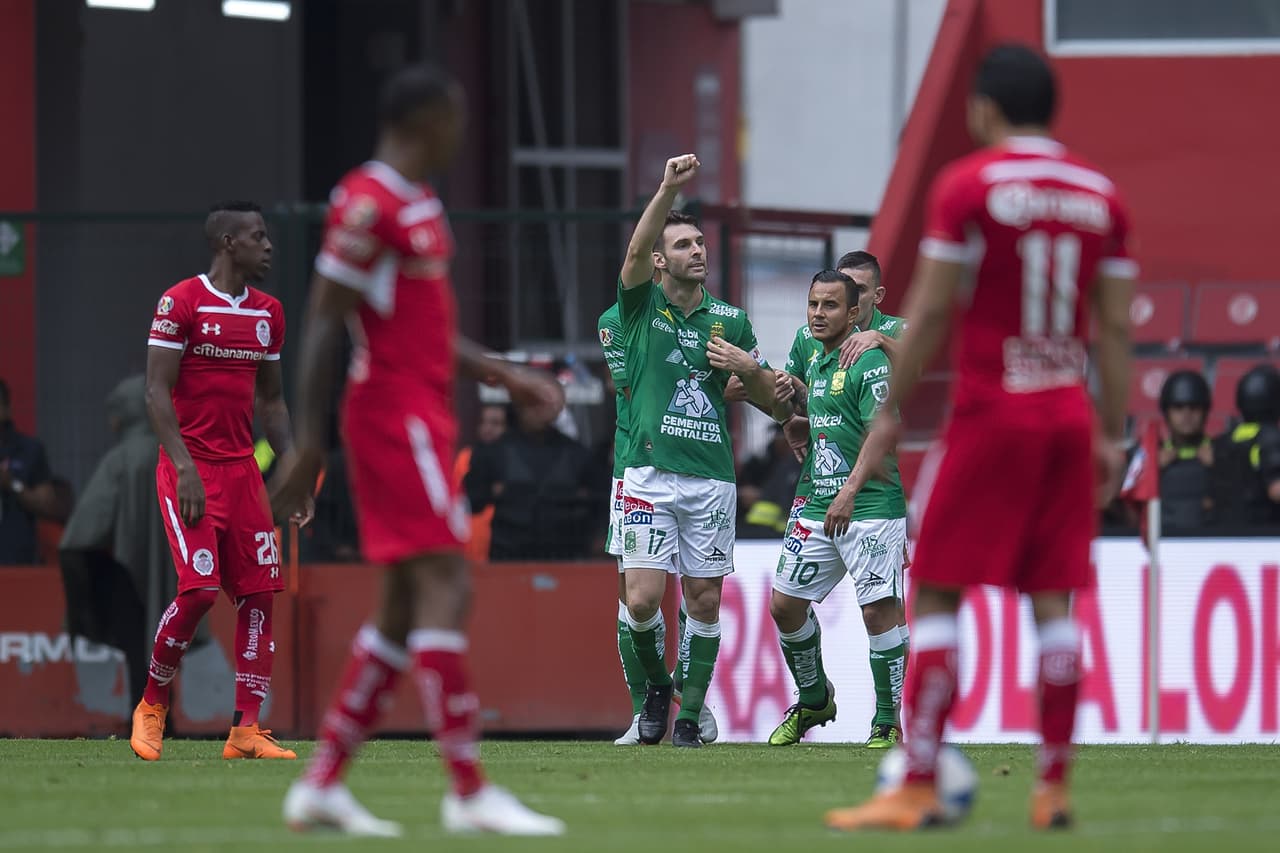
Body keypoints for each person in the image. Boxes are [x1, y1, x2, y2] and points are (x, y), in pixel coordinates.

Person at [824, 44, 1136, 832]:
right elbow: (1113, 330)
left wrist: (892, 401)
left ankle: (919, 778)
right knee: (1053, 602)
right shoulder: (1103, 196)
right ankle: (1054, 785)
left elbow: (928, 311)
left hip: (993, 412)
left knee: (934, 591)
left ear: (987, 108)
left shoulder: (969, 186)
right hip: (1068, 415)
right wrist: (1111, 431)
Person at [270, 64, 565, 837]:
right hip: (393, 415)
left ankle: (324, 780)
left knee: (402, 608)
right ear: (425, 120)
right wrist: (308, 438)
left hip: (423, 409)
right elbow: (323, 320)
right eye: (455, 117)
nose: (462, 132)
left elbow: (424, 325)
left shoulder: (419, 200)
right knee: (447, 581)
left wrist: (500, 370)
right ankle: (467, 788)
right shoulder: (367, 202)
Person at [131, 200, 313, 763]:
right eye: (259, 237)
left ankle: (245, 730)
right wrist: (184, 467)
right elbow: (156, 392)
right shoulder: (180, 301)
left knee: (261, 594)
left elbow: (274, 402)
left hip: (241, 473)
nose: (269, 246)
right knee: (202, 591)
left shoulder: (269, 313)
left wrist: (293, 468)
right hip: (190, 468)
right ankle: (153, 703)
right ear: (228, 243)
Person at [617, 156, 786, 748]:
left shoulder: (730, 321)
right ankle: (660, 687)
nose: (698, 251)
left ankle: (690, 714)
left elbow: (773, 403)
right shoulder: (640, 309)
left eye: (699, 242)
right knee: (640, 600)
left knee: (704, 597)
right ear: (662, 259)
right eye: (683, 244)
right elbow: (635, 255)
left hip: (711, 478)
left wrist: (751, 368)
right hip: (645, 472)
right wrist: (666, 189)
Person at [769, 250, 913, 747]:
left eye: (829, 305)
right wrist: (793, 416)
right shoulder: (811, 352)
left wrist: (850, 491)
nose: (817, 313)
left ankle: (888, 720)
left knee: (879, 611)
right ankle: (814, 699)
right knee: (785, 605)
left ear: (858, 310)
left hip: (869, 506)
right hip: (815, 502)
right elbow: (822, 414)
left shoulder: (871, 353)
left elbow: (883, 428)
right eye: (812, 303)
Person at [597, 300, 720, 746]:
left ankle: (690, 693)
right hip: (634, 466)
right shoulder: (616, 320)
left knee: (700, 592)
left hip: (695, 469)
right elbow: (643, 389)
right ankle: (642, 707)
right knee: (633, 594)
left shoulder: (717, 319)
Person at [59, 375, 171, 707]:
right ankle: (167, 715)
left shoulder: (119, 459)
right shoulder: (175, 454)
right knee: (168, 636)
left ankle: (143, 715)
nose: (110, 422)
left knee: (137, 643)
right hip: (174, 566)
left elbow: (82, 531)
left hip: (125, 572)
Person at [464, 383, 595, 560]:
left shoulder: (577, 453)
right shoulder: (494, 451)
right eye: (532, 401)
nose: (539, 409)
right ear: (518, 405)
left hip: (566, 555)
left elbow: (599, 501)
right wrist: (496, 492)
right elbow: (471, 500)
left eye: (546, 402)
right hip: (508, 555)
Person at [0, 378, 62, 565]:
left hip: (17, 560)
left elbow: (48, 505)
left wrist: (12, 484)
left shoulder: (29, 449)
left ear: (6, 408)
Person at [1210, 364, 1280, 528]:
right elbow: (1276, 489)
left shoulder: (1225, 439)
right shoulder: (1271, 438)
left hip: (1224, 533)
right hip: (1263, 534)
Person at [1154, 370, 1214, 530]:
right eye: (1178, 407)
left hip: (1211, 543)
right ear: (1166, 412)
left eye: (1194, 407)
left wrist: (1221, 468)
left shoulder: (1225, 453)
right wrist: (1149, 471)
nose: (1186, 414)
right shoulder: (1147, 457)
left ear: (1205, 411)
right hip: (1162, 544)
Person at [452, 403, 506, 563]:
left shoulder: (514, 459)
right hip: (470, 545)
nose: (487, 428)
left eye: (495, 423)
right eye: (483, 422)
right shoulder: (466, 457)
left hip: (503, 546)